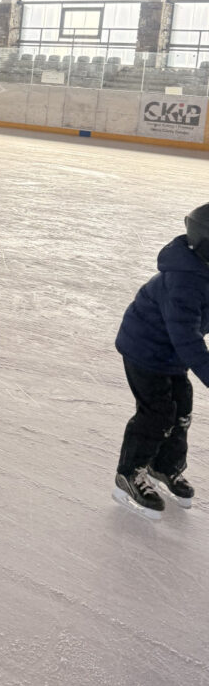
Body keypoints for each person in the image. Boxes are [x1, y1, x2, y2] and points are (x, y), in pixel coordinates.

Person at [112, 203, 209, 515]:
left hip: (170, 355)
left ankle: (164, 466)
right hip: (145, 350)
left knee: (182, 407)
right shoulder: (185, 282)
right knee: (158, 413)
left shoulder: (203, 268)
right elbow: (186, 337)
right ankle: (129, 473)